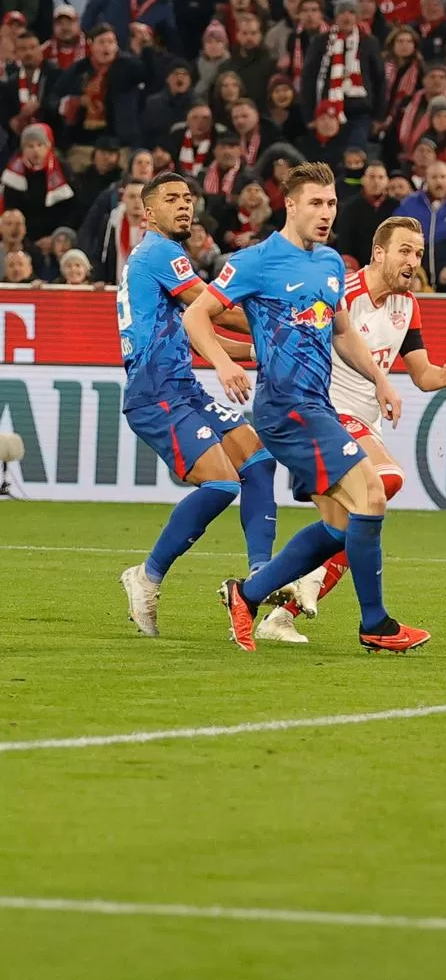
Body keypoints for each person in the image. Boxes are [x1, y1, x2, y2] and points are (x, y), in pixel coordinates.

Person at [183, 163, 431, 654]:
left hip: (314, 406)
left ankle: (246, 594)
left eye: (332, 203)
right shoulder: (255, 261)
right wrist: (222, 364)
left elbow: (342, 332)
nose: (325, 212)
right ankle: (375, 625)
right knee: (373, 495)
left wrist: (381, 378)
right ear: (290, 205)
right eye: (315, 203)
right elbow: (196, 315)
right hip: (284, 408)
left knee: (340, 527)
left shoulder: (331, 264)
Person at [282, 216, 446, 627]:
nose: (413, 260)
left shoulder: (409, 306)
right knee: (386, 481)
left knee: (352, 525)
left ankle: (279, 611)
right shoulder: (342, 293)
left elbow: (422, 375)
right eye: (404, 250)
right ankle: (328, 592)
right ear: (379, 252)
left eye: (418, 253)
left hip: (365, 422)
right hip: (327, 413)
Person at [114, 173, 279, 637]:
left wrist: (256, 351)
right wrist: (279, 328)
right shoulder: (159, 252)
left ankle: (261, 576)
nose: (184, 206)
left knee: (259, 461)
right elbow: (216, 310)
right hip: (155, 393)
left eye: (188, 198)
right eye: (171, 199)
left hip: (182, 387)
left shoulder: (163, 257)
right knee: (223, 483)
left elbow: (196, 326)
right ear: (148, 214)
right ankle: (146, 576)